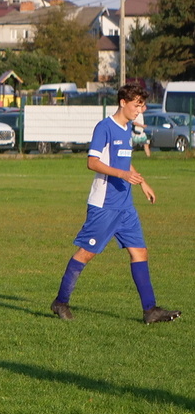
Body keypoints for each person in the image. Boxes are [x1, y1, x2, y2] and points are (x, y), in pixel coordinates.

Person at [51, 82, 179, 324]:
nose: (140, 110)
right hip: (105, 205)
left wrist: (142, 182)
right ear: (123, 102)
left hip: (125, 206)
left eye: (142, 106)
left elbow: (124, 160)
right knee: (86, 253)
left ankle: (150, 310)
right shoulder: (105, 128)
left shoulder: (127, 128)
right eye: (137, 105)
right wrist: (122, 175)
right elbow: (92, 162)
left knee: (139, 252)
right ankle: (60, 302)